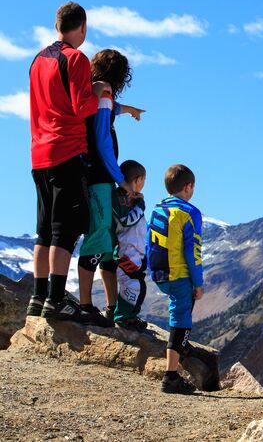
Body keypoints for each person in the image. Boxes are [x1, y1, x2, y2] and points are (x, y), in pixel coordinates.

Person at [27, 2, 112, 320]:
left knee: (44, 230)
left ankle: (38, 298)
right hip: (66, 151)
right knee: (65, 230)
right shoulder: (76, 58)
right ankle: (56, 299)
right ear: (83, 27)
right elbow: (80, 107)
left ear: (56, 25)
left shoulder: (37, 61)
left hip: (39, 154)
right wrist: (99, 91)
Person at [76, 49, 144, 326]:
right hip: (99, 175)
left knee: (106, 243)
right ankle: (86, 305)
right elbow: (102, 139)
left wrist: (128, 110)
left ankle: (110, 305)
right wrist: (121, 179)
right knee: (98, 238)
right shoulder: (104, 93)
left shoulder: (96, 92)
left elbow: (109, 109)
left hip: (96, 174)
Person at [146, 164, 204, 394]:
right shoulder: (189, 212)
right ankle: (171, 376)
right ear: (188, 187)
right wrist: (198, 283)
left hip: (160, 273)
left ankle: (180, 348)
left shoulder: (157, 209)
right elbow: (193, 251)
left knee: (177, 313)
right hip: (180, 275)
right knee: (180, 320)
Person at [112, 160, 149, 330]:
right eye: (143, 181)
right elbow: (126, 221)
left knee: (138, 285)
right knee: (131, 284)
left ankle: (131, 316)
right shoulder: (120, 197)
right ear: (137, 179)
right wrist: (140, 205)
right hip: (125, 251)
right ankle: (122, 317)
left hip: (136, 251)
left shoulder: (130, 198)